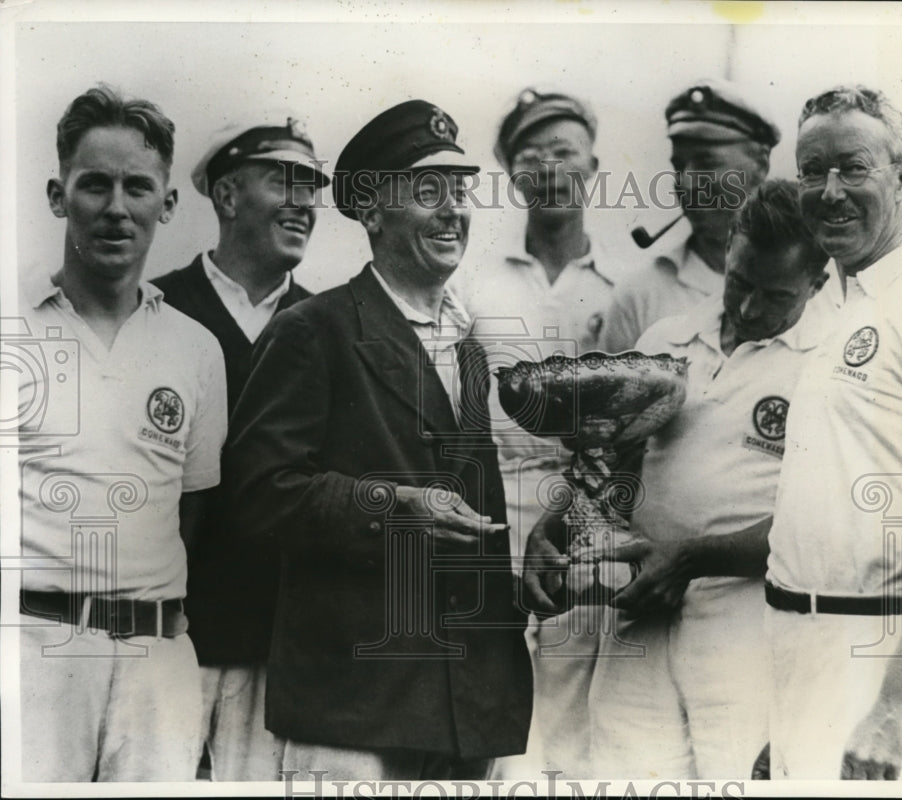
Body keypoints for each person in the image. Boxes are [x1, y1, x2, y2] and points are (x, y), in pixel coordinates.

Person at [222, 99, 532, 780]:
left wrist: (525, 581)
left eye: (460, 190)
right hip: (353, 708)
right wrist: (397, 508)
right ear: (371, 211)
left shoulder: (472, 351)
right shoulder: (314, 329)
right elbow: (260, 495)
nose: (453, 210)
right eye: (429, 191)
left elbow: (470, 528)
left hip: (468, 711)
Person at [524, 179, 835, 778]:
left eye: (774, 296)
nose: (747, 309)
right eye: (739, 282)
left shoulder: (828, 365)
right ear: (731, 250)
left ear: (818, 283)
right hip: (640, 610)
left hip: (748, 627)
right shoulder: (666, 340)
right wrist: (555, 526)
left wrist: (691, 559)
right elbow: (611, 467)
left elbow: (820, 523)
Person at [764, 85, 902, 780]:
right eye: (812, 170)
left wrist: (898, 704)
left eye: (853, 168)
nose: (829, 192)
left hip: (884, 660)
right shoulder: (831, 302)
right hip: (801, 658)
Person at [15, 85, 227, 781]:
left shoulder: (196, 349)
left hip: (157, 658)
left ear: (166, 204)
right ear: (57, 194)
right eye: (93, 185)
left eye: (137, 187)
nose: (115, 208)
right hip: (34, 649)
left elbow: (191, 508)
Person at [451, 88, 630, 778]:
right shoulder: (473, 283)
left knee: (580, 724)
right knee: (498, 728)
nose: (550, 169)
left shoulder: (624, 286)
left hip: (591, 512)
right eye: (532, 155)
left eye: (565, 152)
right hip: (495, 514)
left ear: (592, 165)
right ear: (512, 174)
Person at [151, 115, 330, 781]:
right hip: (166, 647)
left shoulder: (332, 326)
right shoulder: (156, 309)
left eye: (313, 187)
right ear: (226, 196)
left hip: (279, 657)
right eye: (286, 181)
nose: (306, 203)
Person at [600, 78, 779, 354]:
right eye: (679, 166)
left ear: (761, 164)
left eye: (707, 163)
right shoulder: (639, 295)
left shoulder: (807, 283)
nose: (686, 183)